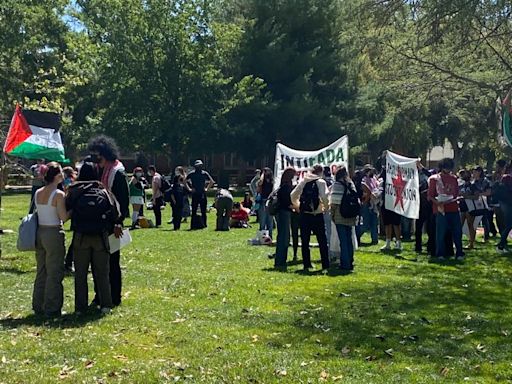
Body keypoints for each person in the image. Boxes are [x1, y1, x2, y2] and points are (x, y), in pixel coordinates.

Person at [66, 161, 120, 315]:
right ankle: (106, 305)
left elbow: (67, 209)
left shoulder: (75, 191)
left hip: (80, 236)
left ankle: (80, 308)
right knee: (102, 272)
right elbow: (116, 213)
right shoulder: (104, 191)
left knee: (80, 274)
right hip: (100, 236)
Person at [87, 135, 129, 307]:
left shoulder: (117, 172)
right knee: (97, 262)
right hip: (100, 222)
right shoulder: (100, 170)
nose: (97, 160)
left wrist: (119, 221)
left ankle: (114, 296)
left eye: (99, 156)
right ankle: (100, 295)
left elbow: (124, 200)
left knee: (112, 262)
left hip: (114, 223)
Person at [33, 162, 69, 317]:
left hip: (40, 231)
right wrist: (72, 209)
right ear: (57, 176)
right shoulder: (58, 194)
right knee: (54, 271)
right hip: (53, 232)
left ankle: (38, 304)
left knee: (42, 270)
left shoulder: (38, 192)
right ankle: (52, 307)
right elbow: (63, 217)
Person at [291, 164, 330, 271]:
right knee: (322, 240)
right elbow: (325, 197)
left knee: (305, 241)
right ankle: (325, 264)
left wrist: (297, 206)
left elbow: (293, 195)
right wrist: (326, 208)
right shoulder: (321, 182)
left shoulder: (303, 181)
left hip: (305, 214)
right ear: (320, 172)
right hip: (317, 214)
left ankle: (307, 263)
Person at [427, 158, 464, 260]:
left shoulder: (454, 179)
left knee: (457, 232)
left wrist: (457, 199)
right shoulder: (434, 179)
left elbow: (456, 193)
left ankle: (459, 253)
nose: (448, 170)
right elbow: (430, 195)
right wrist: (437, 203)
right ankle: (440, 254)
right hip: (440, 209)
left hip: (453, 208)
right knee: (440, 233)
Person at [329, 166, 358, 271]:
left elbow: (334, 203)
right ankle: (350, 260)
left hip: (340, 215)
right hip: (351, 215)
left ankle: (345, 264)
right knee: (349, 239)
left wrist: (332, 215)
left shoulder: (337, 185)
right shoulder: (351, 184)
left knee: (343, 241)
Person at [274, 167, 295, 270]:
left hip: (281, 212)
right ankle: (280, 260)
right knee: (284, 237)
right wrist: (295, 207)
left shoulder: (283, 185)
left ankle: (281, 260)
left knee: (282, 236)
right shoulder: (286, 187)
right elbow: (287, 202)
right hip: (284, 213)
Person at [186, 160, 214, 229]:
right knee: (195, 210)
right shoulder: (192, 173)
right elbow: (184, 181)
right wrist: (189, 189)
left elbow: (212, 181)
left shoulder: (204, 173)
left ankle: (203, 224)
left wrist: (207, 188)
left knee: (202, 210)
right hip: (196, 194)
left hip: (201, 193)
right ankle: (195, 225)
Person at [415, 161, 433, 253]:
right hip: (419, 206)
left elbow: (429, 173)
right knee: (418, 228)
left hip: (429, 206)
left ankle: (430, 246)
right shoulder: (414, 177)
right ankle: (418, 246)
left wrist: (420, 165)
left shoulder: (431, 177)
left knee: (430, 228)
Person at [360, 166, 380, 245]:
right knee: (366, 223)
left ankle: (375, 239)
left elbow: (376, 188)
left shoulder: (374, 179)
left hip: (374, 203)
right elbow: (365, 191)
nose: (371, 173)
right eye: (369, 171)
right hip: (367, 203)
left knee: (374, 222)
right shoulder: (363, 180)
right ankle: (356, 235)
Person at [459, 169, 477, 249]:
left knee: (470, 225)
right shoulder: (461, 185)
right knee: (459, 225)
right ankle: (457, 242)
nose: (463, 176)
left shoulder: (473, 185)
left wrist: (467, 196)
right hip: (462, 206)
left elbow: (476, 197)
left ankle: (471, 243)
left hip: (470, 207)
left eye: (464, 174)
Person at [496, 161, 512, 253]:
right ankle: (501, 245)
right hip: (507, 203)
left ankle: (502, 244)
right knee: (509, 224)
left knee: (509, 224)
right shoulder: (507, 177)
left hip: (507, 203)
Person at [257, 167, 274, 238]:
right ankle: (262, 236)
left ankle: (269, 236)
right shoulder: (262, 181)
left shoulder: (272, 181)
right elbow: (259, 183)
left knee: (270, 220)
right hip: (263, 201)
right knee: (262, 220)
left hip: (270, 201)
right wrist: (263, 174)